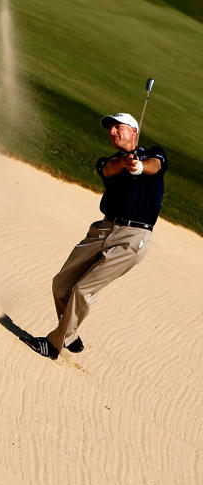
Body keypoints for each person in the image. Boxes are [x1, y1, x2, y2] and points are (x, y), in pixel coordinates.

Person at [23, 112, 167, 359]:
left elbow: (155, 166)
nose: (112, 132)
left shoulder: (154, 154)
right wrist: (125, 163)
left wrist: (140, 166)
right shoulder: (110, 161)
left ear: (134, 131)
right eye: (110, 129)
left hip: (133, 238)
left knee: (82, 290)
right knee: (61, 285)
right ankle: (69, 334)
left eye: (118, 127)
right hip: (103, 229)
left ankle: (53, 345)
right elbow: (109, 170)